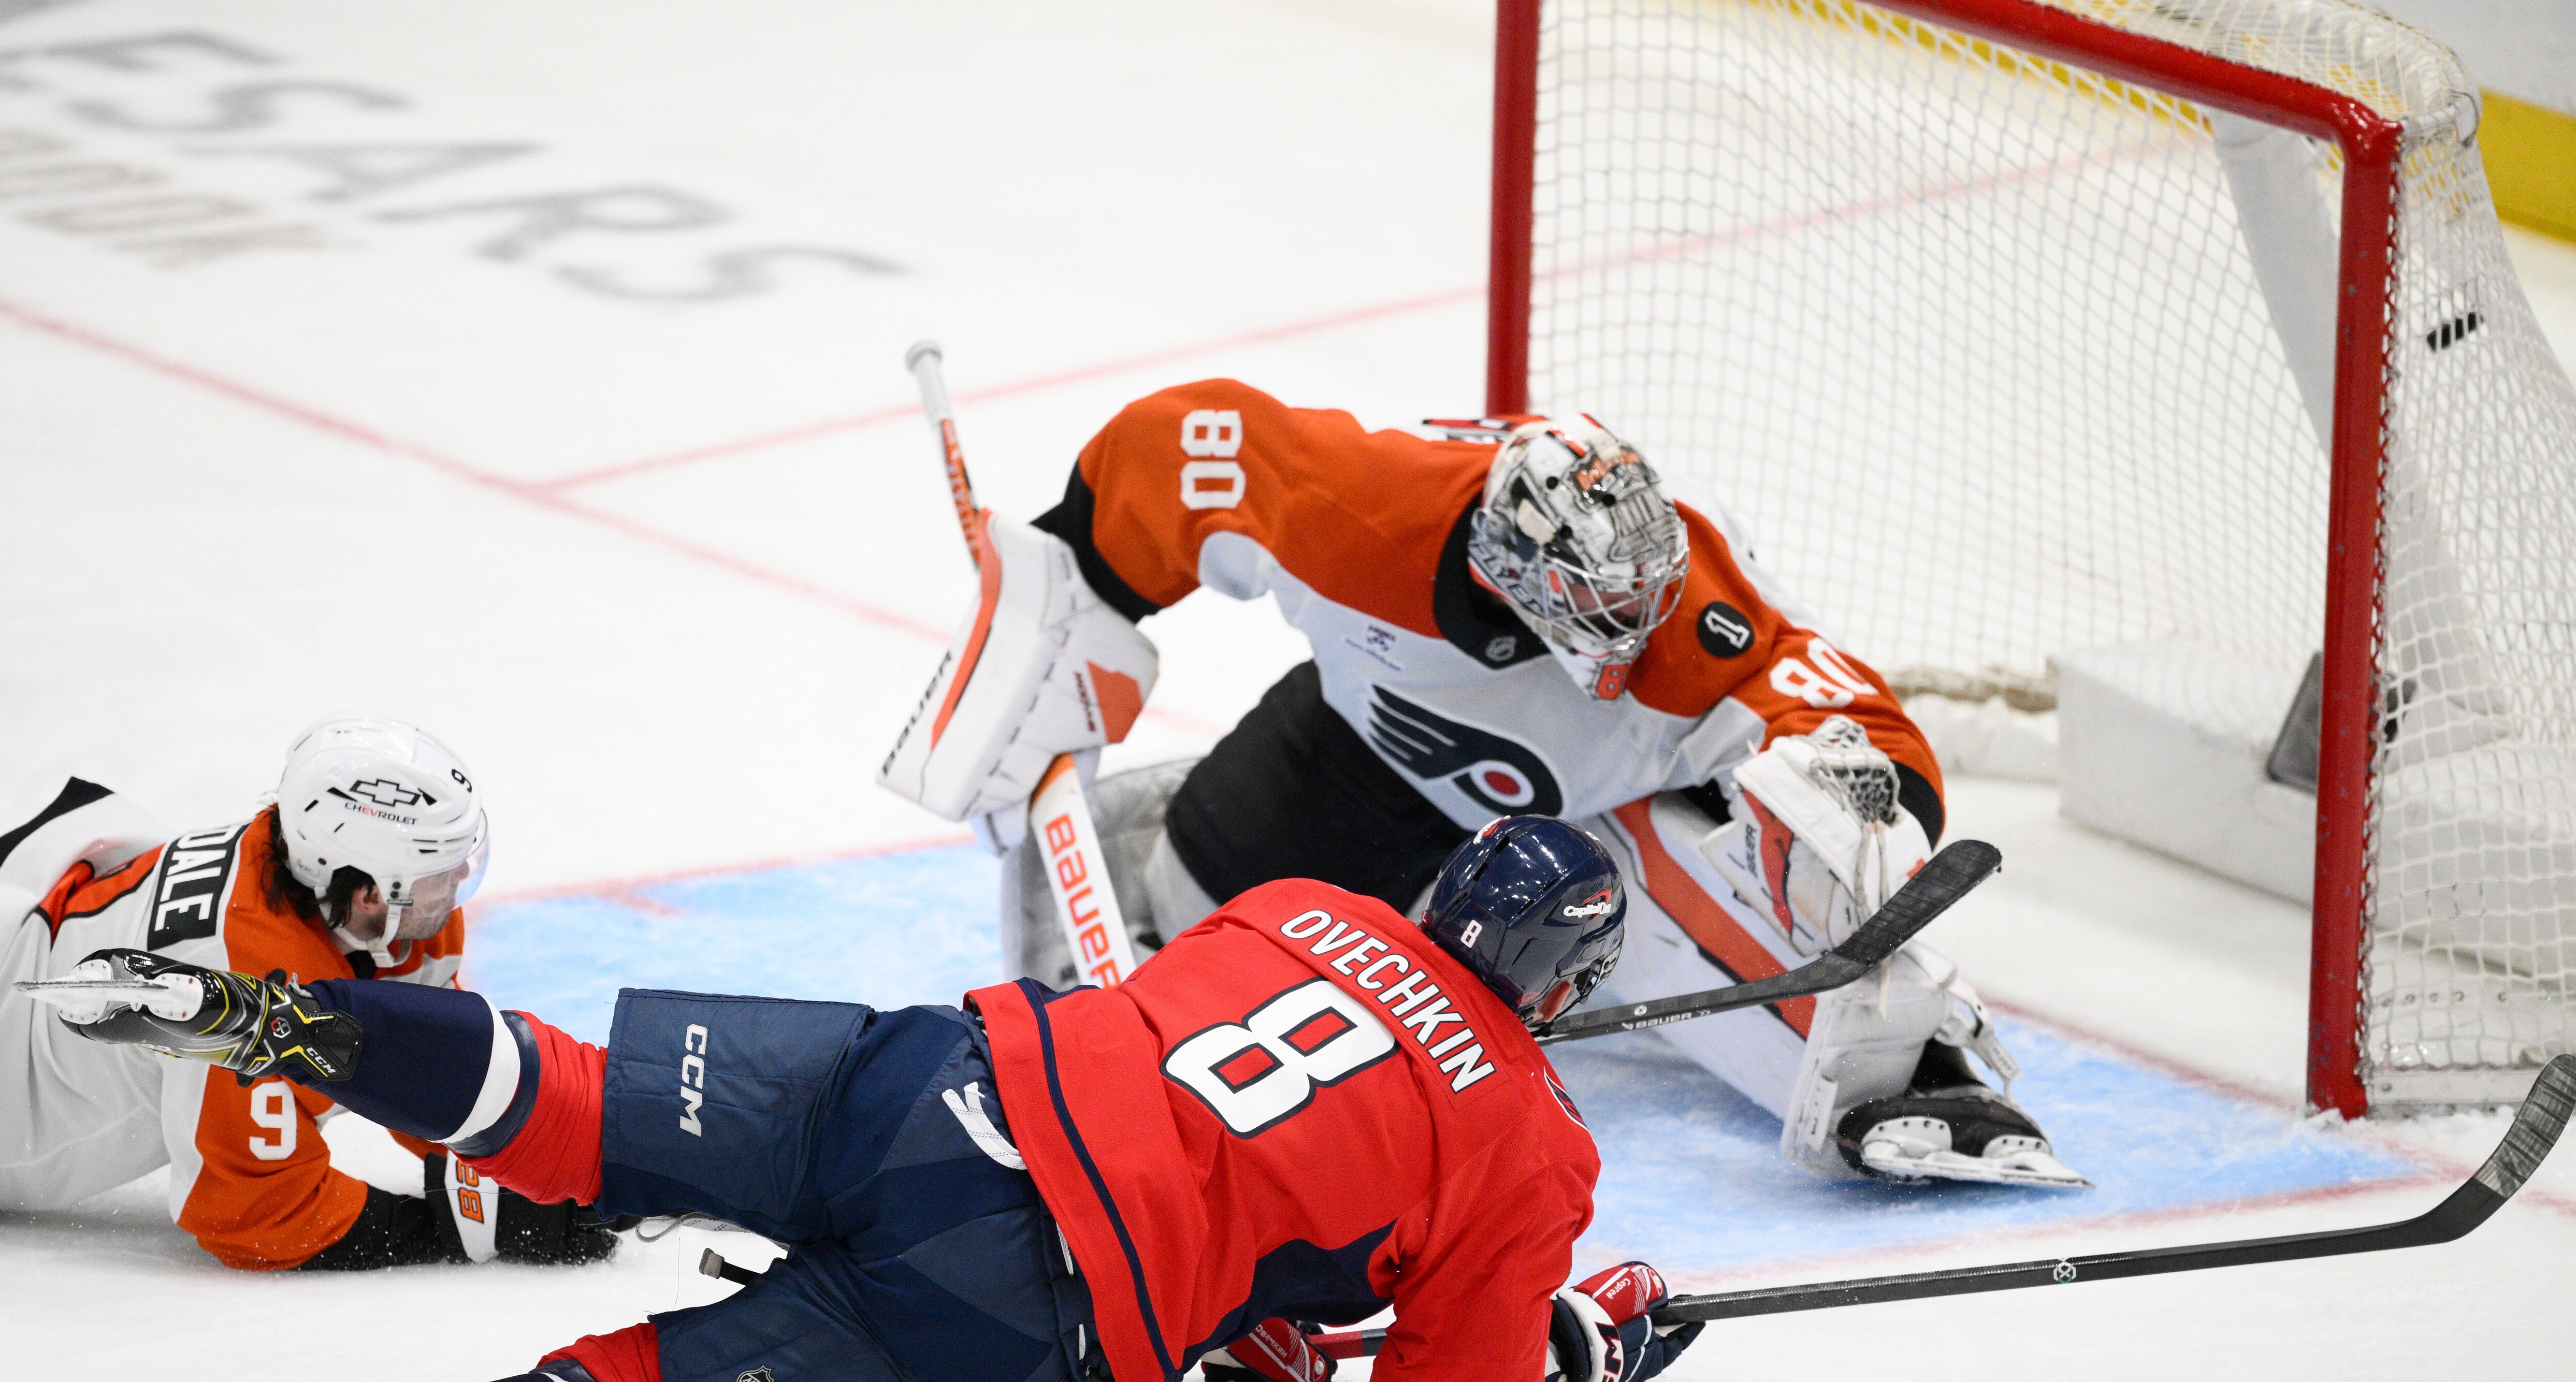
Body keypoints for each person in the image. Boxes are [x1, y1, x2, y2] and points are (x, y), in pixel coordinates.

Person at [51, 817, 1699, 1382]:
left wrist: (1259, 1296)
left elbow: (1227, 1112)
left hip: (924, 1082)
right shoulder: (1534, 1146)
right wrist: (1575, 1345)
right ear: (1562, 980)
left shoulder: (1301, 904)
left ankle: (280, 1015)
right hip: (999, 1296)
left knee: (556, 1096)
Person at [877, 383, 2085, 1189]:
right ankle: (1128, 931)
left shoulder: (1693, 617)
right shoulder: (1364, 509)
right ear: (1505, 566)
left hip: (1562, 842)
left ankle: (1907, 1075)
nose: (1627, 641)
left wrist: (1861, 809)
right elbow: (1172, 452)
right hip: (1346, 761)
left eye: (1639, 606)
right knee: (1201, 959)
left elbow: (1848, 709)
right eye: (1596, 614)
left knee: (1706, 848)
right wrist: (1067, 590)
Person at [0, 715, 613, 1270]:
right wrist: (451, 1229)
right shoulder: (243, 980)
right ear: (369, 893)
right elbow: (252, 1214)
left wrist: (533, 1153)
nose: (457, 881)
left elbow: (424, 1065)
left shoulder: (369, 906)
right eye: (438, 868)